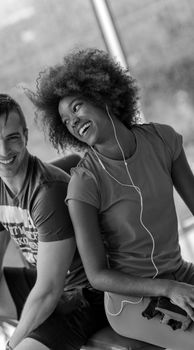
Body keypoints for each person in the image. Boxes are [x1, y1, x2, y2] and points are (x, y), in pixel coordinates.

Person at [30, 48, 194, 349]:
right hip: (132, 303)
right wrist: (168, 288)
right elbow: (98, 276)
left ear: (102, 94)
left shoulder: (162, 140)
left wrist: (175, 284)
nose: (73, 122)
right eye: (66, 121)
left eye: (77, 107)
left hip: (180, 276)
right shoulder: (83, 184)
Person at [0, 93, 109, 350]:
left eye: (12, 138)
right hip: (40, 282)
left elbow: (50, 288)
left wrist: (10, 344)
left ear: (26, 136)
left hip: (84, 297)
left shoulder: (48, 191)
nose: (4, 151)